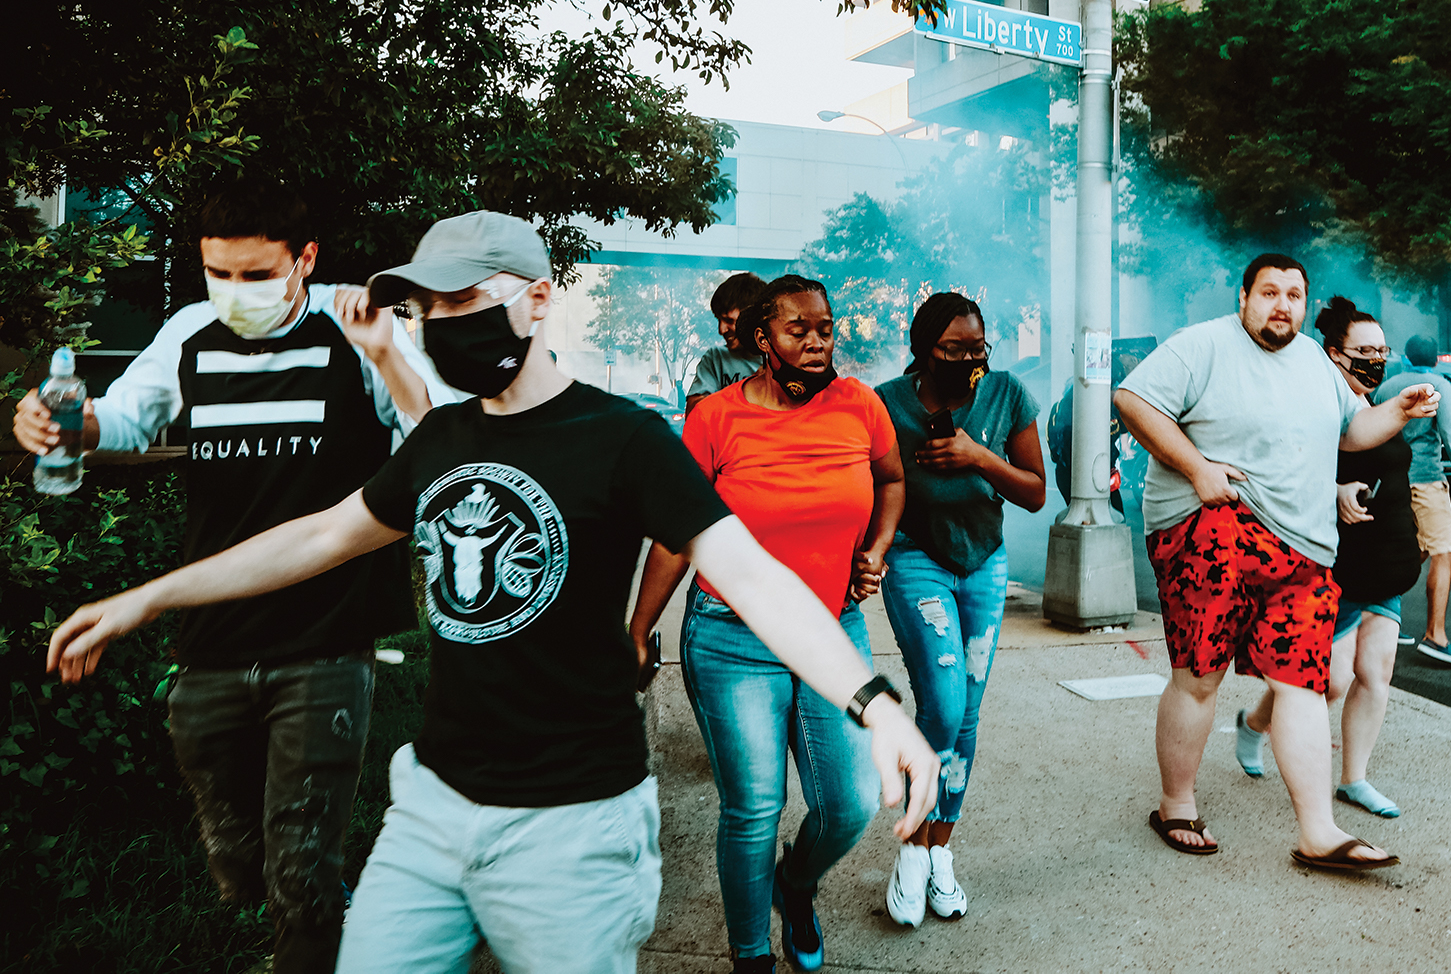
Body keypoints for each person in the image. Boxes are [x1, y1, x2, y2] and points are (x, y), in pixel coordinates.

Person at [45, 215, 939, 974]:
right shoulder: (440, 438)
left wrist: (874, 706)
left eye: (465, 301)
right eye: (428, 307)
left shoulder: (622, 437)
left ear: (538, 299)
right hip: (430, 812)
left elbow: (752, 577)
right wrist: (148, 598)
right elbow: (319, 536)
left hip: (575, 828)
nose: (443, 322)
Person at [14, 180, 444, 974]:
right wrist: (60, 421)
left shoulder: (359, 331)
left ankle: (319, 919)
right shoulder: (189, 332)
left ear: (304, 260)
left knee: (299, 870)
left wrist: (386, 352)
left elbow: (437, 437)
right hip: (212, 630)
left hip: (327, 633)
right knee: (234, 857)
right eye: (220, 274)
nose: (234, 293)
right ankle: (318, 896)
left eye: (256, 275)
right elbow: (127, 418)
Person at [1112, 253, 1439, 872]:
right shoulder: (1202, 345)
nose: (1282, 304)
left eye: (1294, 294)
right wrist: (1198, 468)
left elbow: (1351, 431)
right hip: (1212, 525)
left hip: (1304, 548)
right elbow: (1133, 401)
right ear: (1244, 298)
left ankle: (1319, 832)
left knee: (1304, 686)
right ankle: (1176, 803)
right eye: (1269, 292)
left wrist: (1399, 411)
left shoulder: (1317, 360)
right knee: (1200, 675)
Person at [637, 274, 907, 973]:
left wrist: (874, 549)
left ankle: (796, 881)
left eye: (824, 327)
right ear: (762, 339)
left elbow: (892, 479)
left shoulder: (860, 405)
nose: (817, 341)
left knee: (849, 804)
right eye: (798, 329)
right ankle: (750, 953)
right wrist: (636, 630)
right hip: (732, 638)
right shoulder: (715, 418)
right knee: (754, 808)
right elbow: (674, 531)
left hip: (830, 630)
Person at [864, 293, 1046, 926]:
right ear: (923, 349)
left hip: (984, 561)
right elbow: (868, 483)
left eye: (978, 349)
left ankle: (940, 848)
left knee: (966, 708)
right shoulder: (886, 402)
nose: (970, 360)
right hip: (916, 559)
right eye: (954, 350)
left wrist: (979, 457)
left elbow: (1034, 492)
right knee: (941, 700)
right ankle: (913, 847)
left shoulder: (1007, 394)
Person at [1237, 298, 1423, 821]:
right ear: (1333, 353)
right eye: (1364, 350)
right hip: (1330, 563)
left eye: (1381, 350)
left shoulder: (1382, 406)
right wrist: (1334, 487)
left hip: (1384, 562)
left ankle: (1354, 779)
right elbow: (1274, 473)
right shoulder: (1313, 405)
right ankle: (1254, 724)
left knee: (1375, 673)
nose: (1376, 360)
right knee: (1329, 680)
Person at [1376, 334, 1451, 667]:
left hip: (1391, 481)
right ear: (1435, 359)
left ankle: (1380, 618)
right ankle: (1435, 637)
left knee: (1412, 550)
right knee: (1443, 552)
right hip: (1425, 479)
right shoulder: (1437, 384)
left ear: (1407, 358)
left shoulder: (1386, 387)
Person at [686, 271, 767, 413]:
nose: (721, 330)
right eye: (719, 320)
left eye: (729, 321)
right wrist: (748, 389)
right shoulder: (715, 358)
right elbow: (694, 411)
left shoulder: (780, 359)